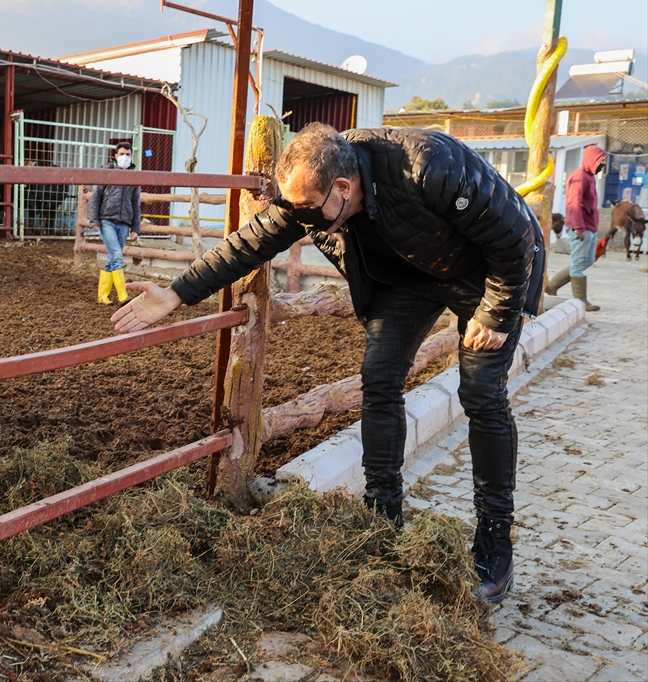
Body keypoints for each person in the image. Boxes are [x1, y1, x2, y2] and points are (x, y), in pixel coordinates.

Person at [112, 123, 545, 605]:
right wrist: (174, 293)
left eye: (308, 210)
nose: (301, 220)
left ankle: (494, 544)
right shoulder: (310, 197)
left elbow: (515, 236)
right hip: (406, 281)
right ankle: (383, 522)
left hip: (486, 275)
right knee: (379, 381)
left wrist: (498, 312)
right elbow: (249, 242)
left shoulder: (428, 166)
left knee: (481, 394)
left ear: (343, 187)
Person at [545, 144, 607, 311]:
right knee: (579, 264)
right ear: (592, 160)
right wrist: (579, 228)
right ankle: (581, 301)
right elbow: (574, 204)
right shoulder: (579, 177)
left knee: (588, 261)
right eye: (601, 161)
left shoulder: (589, 176)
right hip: (581, 228)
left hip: (590, 227)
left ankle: (552, 285)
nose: (603, 165)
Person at [88, 142, 141, 305]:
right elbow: (96, 197)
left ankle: (102, 295)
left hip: (124, 222)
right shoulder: (107, 173)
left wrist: (135, 228)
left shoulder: (134, 177)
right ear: (115, 155)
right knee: (117, 255)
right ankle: (123, 296)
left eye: (128, 154)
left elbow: (135, 203)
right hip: (107, 220)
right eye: (122, 154)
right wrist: (94, 220)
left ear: (132, 156)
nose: (125, 157)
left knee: (113, 257)